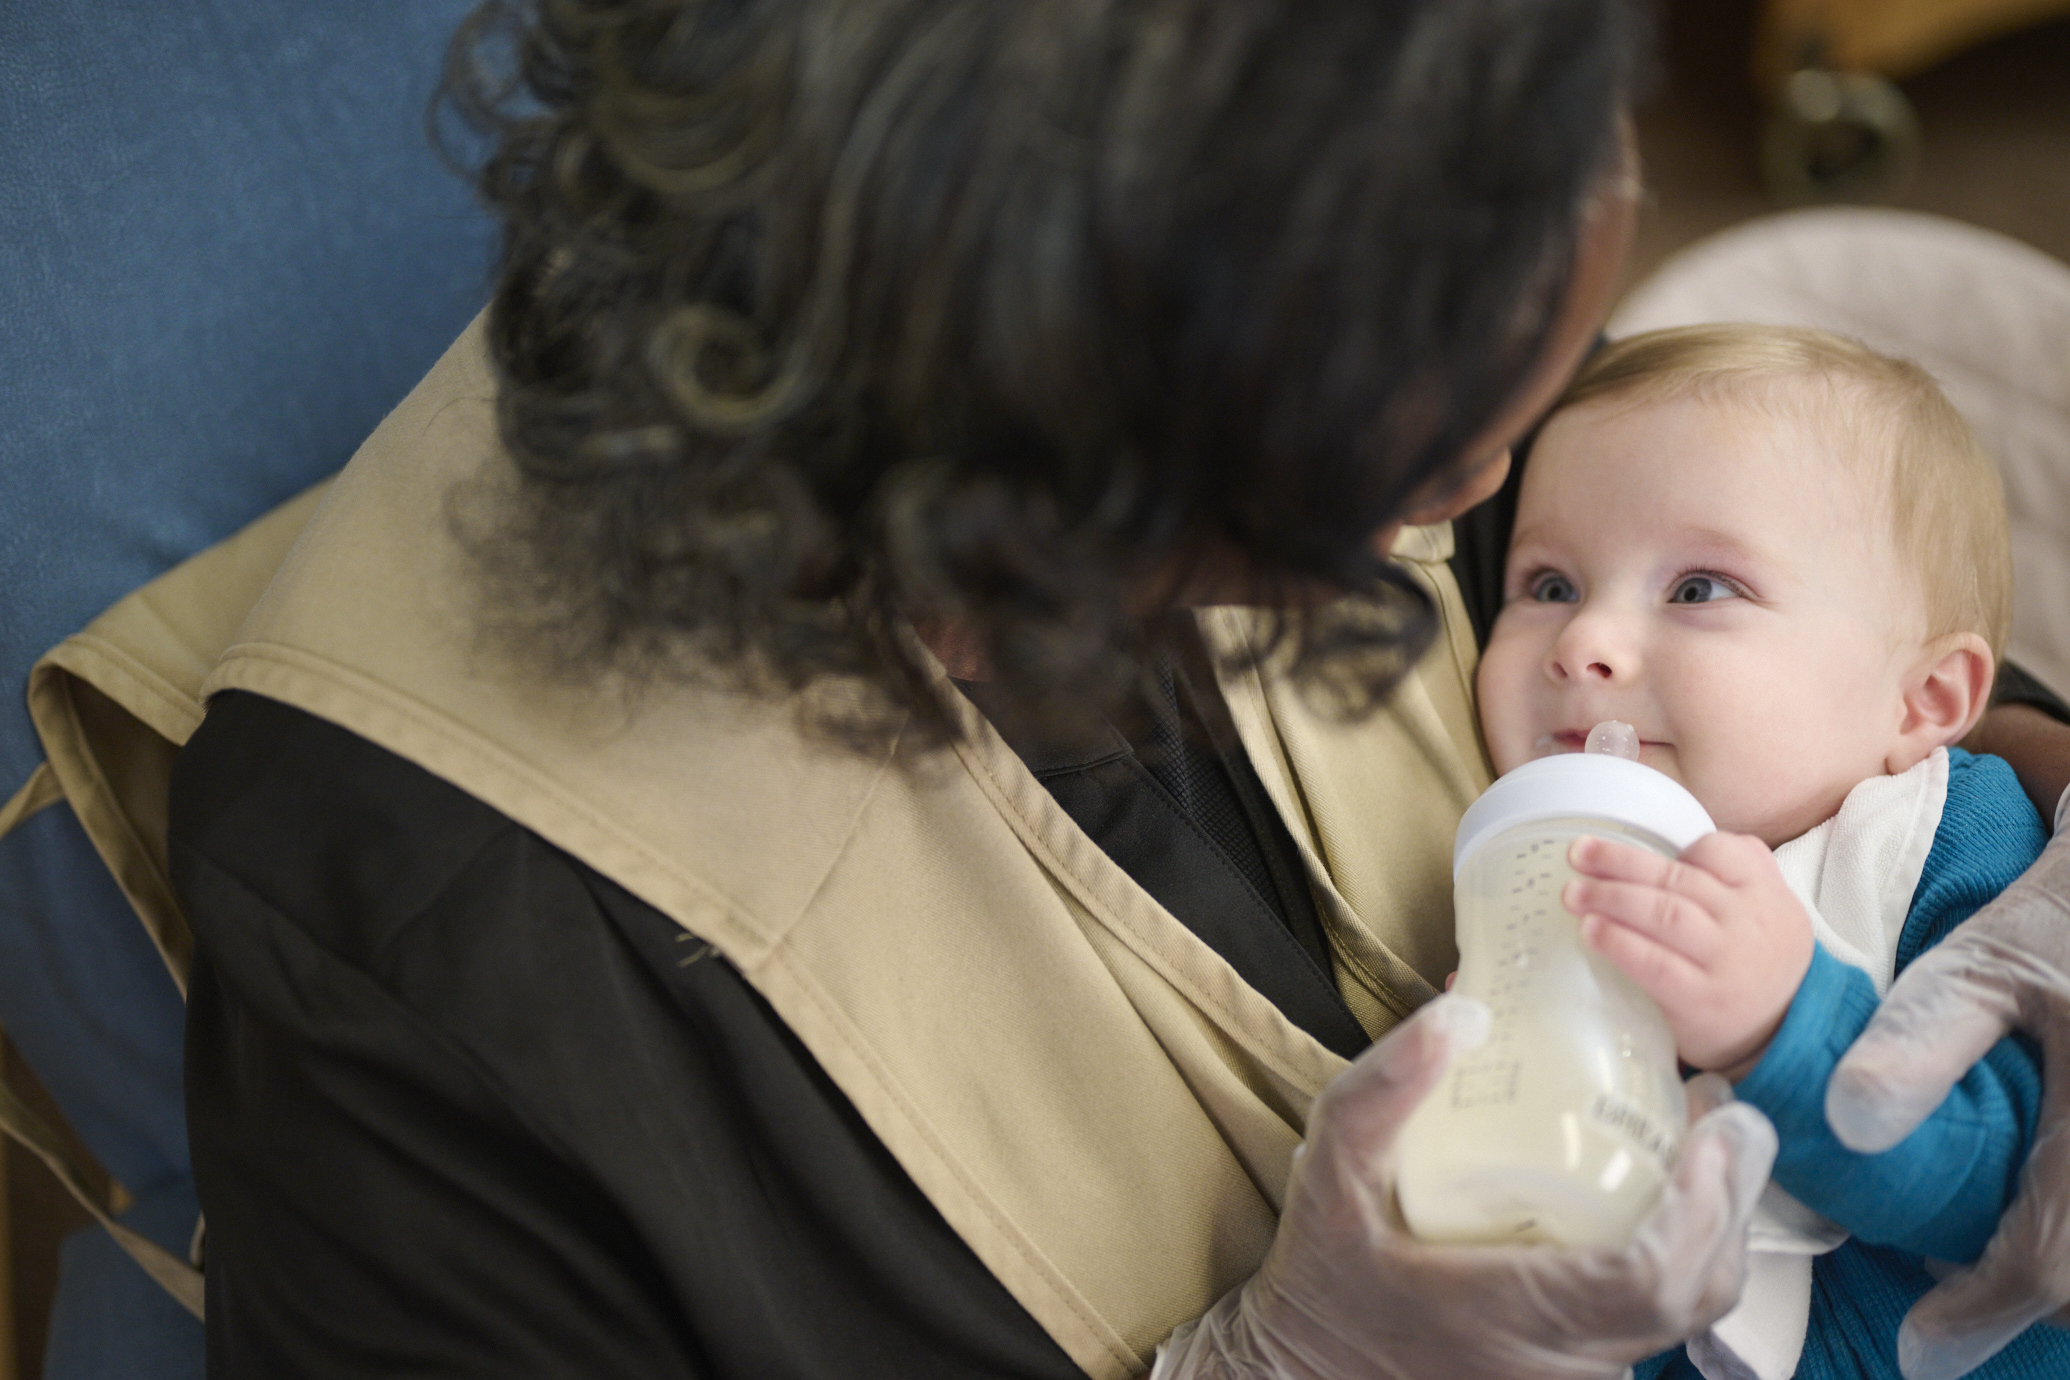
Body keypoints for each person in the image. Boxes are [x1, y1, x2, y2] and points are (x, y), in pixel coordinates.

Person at [159, 1, 2070, 1377]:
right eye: (1425, 473)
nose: (1489, 505)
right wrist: (1304, 1361)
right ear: (1051, 509)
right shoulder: (431, 957)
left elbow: (1804, 653)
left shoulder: (1350, 220)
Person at [1474, 323, 2069, 1378]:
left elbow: (2009, 1193)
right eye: (1549, 585)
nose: (1583, 644)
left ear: (1922, 700)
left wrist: (1781, 1028)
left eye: (1699, 589)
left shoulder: (1944, 844)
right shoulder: (1532, 870)